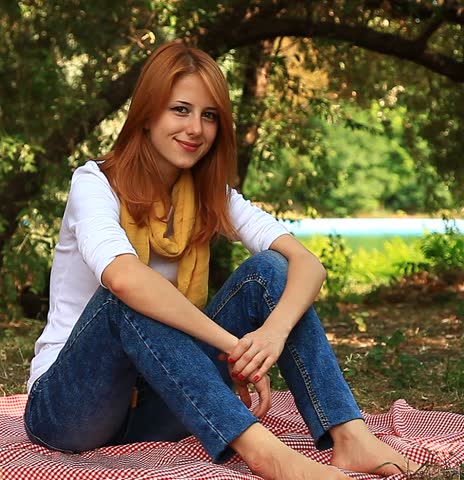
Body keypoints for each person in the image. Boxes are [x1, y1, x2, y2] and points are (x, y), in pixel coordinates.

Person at [24, 40, 418, 480]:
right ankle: (264, 452)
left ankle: (349, 436)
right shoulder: (94, 183)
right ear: (147, 114)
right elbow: (123, 278)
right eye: (181, 110)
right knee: (129, 295)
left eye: (209, 115)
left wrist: (270, 335)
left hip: (165, 398)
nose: (196, 128)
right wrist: (233, 347)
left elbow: (308, 265)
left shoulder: (209, 196)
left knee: (270, 270)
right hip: (70, 408)